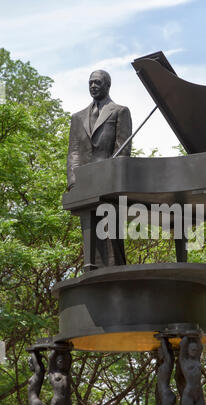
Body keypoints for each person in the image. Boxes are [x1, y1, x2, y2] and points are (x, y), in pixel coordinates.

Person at [67, 70, 132, 269]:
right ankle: (92, 271)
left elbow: (123, 149)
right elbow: (74, 152)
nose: (93, 86)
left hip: (108, 184)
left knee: (111, 236)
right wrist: (74, 182)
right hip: (85, 185)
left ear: (107, 85)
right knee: (90, 237)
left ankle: (113, 273)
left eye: (97, 82)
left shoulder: (119, 111)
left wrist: (112, 179)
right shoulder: (77, 117)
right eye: (90, 83)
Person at [179, 335, 205, 405]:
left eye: (195, 349)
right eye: (192, 349)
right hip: (188, 394)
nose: (194, 351)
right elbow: (184, 342)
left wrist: (197, 335)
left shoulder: (197, 360)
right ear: (187, 350)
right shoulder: (183, 360)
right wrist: (188, 335)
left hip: (199, 394)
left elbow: (200, 345)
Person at [155, 337, 177, 405]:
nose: (158, 354)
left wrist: (163, 342)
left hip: (167, 396)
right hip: (165, 397)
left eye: (160, 352)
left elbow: (169, 356)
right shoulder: (162, 365)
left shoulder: (168, 363)